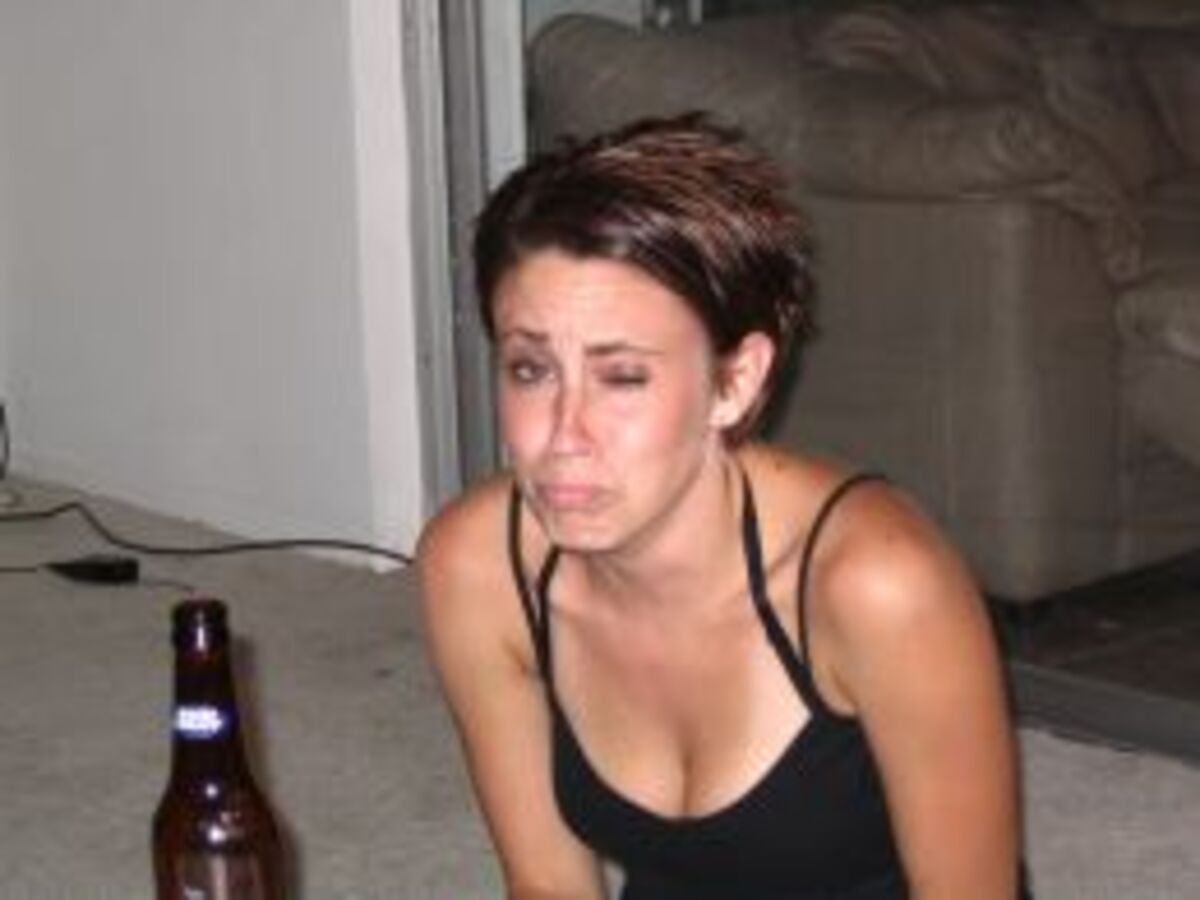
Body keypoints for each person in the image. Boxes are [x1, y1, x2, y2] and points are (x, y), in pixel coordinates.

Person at [417, 114, 1031, 899]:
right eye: (530, 369)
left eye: (622, 377)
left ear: (735, 382)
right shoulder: (479, 565)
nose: (563, 435)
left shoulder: (877, 584)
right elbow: (546, 884)